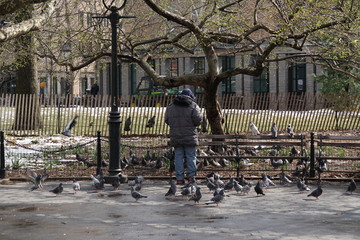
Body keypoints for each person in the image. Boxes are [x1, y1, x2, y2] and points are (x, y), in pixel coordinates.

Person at [165, 88, 202, 185]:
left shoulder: (171, 106)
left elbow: (167, 120)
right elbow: (198, 120)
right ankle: (191, 178)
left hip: (176, 136)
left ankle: (179, 179)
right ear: (191, 96)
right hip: (190, 136)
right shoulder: (193, 106)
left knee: (178, 157)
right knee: (191, 156)